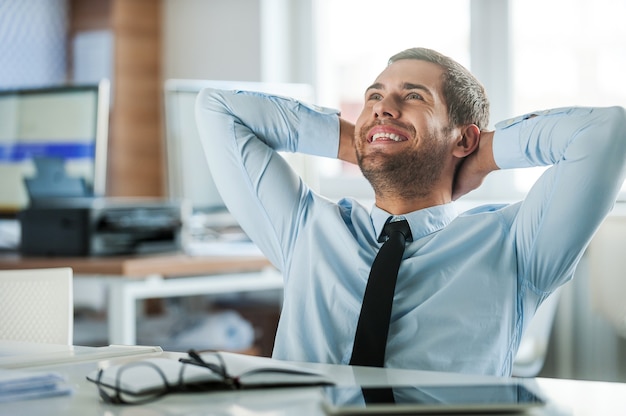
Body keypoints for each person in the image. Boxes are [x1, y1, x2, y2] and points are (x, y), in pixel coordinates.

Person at [195, 47, 626, 376]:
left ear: (463, 139)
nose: (384, 105)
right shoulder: (305, 227)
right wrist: (362, 141)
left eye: (413, 96)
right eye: (374, 97)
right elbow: (217, 107)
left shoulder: (515, 245)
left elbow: (604, 131)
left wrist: (481, 156)